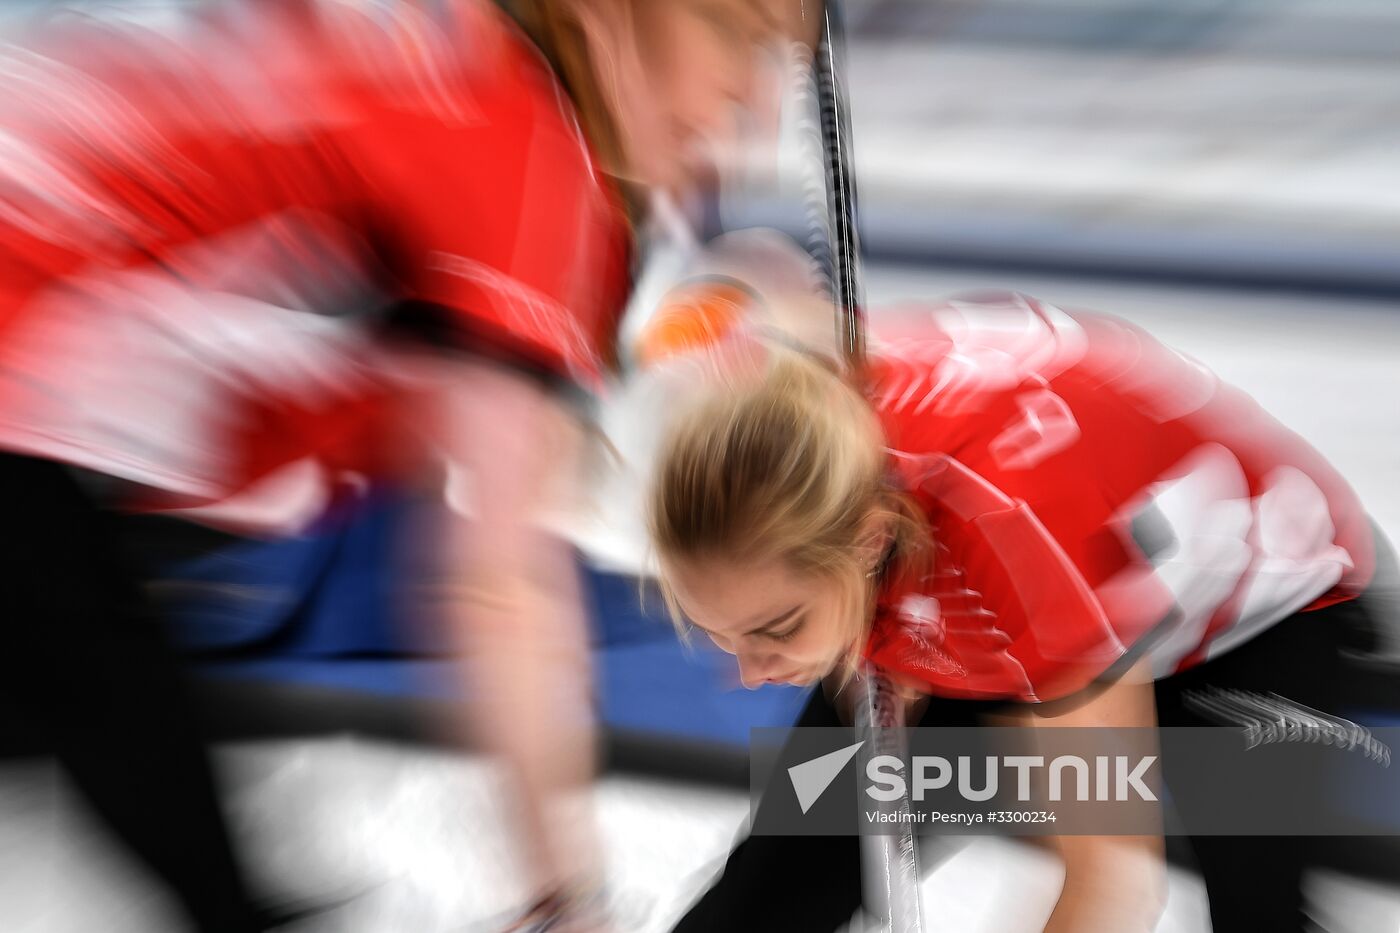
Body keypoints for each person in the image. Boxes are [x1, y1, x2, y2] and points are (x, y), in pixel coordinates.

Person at [0, 2, 809, 930]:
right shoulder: (521, 156)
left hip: (50, 378)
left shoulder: (453, 67)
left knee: (120, 725)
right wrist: (569, 898)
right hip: (30, 383)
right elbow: (498, 587)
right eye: (737, 39)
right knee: (137, 749)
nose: (753, 101)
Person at [644, 286, 1399, 932]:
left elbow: (1113, 882)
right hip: (1008, 577)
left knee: (1257, 906)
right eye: (718, 633)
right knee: (773, 889)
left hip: (1262, 615)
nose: (748, 672)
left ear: (870, 543)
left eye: (775, 629)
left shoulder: (1014, 538)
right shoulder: (801, 451)